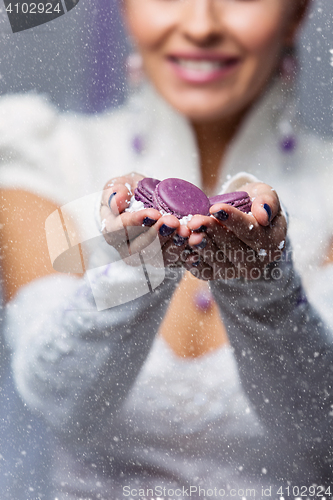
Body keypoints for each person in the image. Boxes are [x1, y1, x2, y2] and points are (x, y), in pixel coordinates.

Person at [1, 0, 333, 497]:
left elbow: (319, 431)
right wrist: (138, 270)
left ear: (298, 12)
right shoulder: (41, 154)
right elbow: (61, 401)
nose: (200, 26)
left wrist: (265, 288)